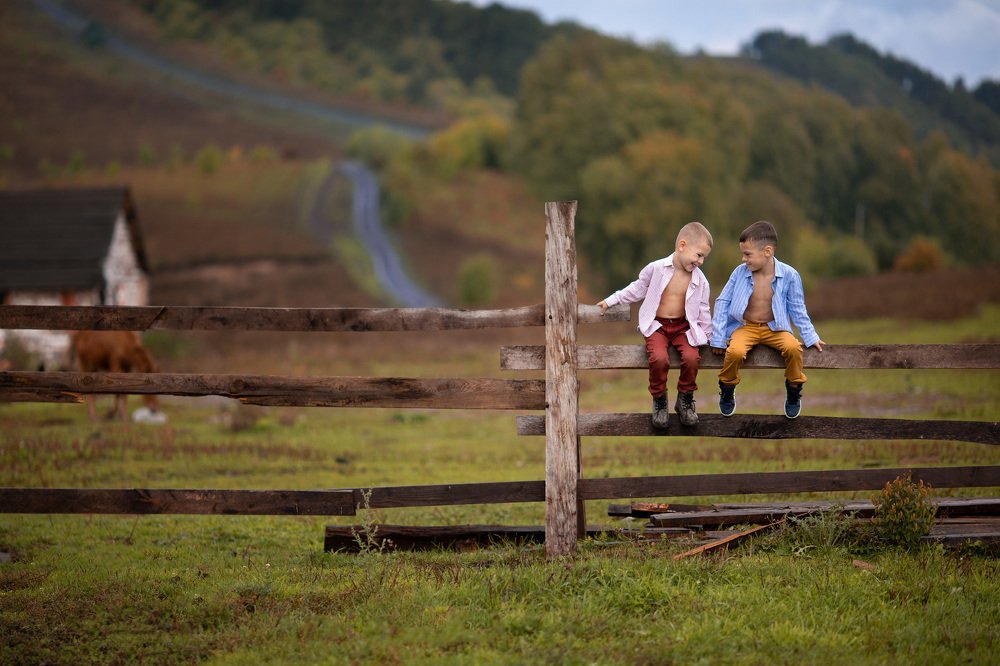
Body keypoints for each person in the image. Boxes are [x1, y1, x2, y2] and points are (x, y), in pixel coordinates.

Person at [598, 222, 713, 430]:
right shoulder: (656, 269)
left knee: (691, 357)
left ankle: (685, 399)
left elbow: (704, 311)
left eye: (704, 257)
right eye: (698, 255)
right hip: (657, 325)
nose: (701, 261)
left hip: (683, 327)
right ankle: (659, 399)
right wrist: (611, 300)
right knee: (659, 358)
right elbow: (636, 289)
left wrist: (710, 336)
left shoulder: (701, 281)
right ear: (682, 245)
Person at [710, 220, 825, 419]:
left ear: (767, 251)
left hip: (775, 328)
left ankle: (793, 389)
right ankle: (727, 387)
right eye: (743, 254)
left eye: (748, 254)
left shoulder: (789, 275)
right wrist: (718, 338)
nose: (744, 259)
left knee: (793, 349)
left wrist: (810, 335)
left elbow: (798, 308)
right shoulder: (739, 273)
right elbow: (723, 302)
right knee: (735, 352)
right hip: (746, 327)